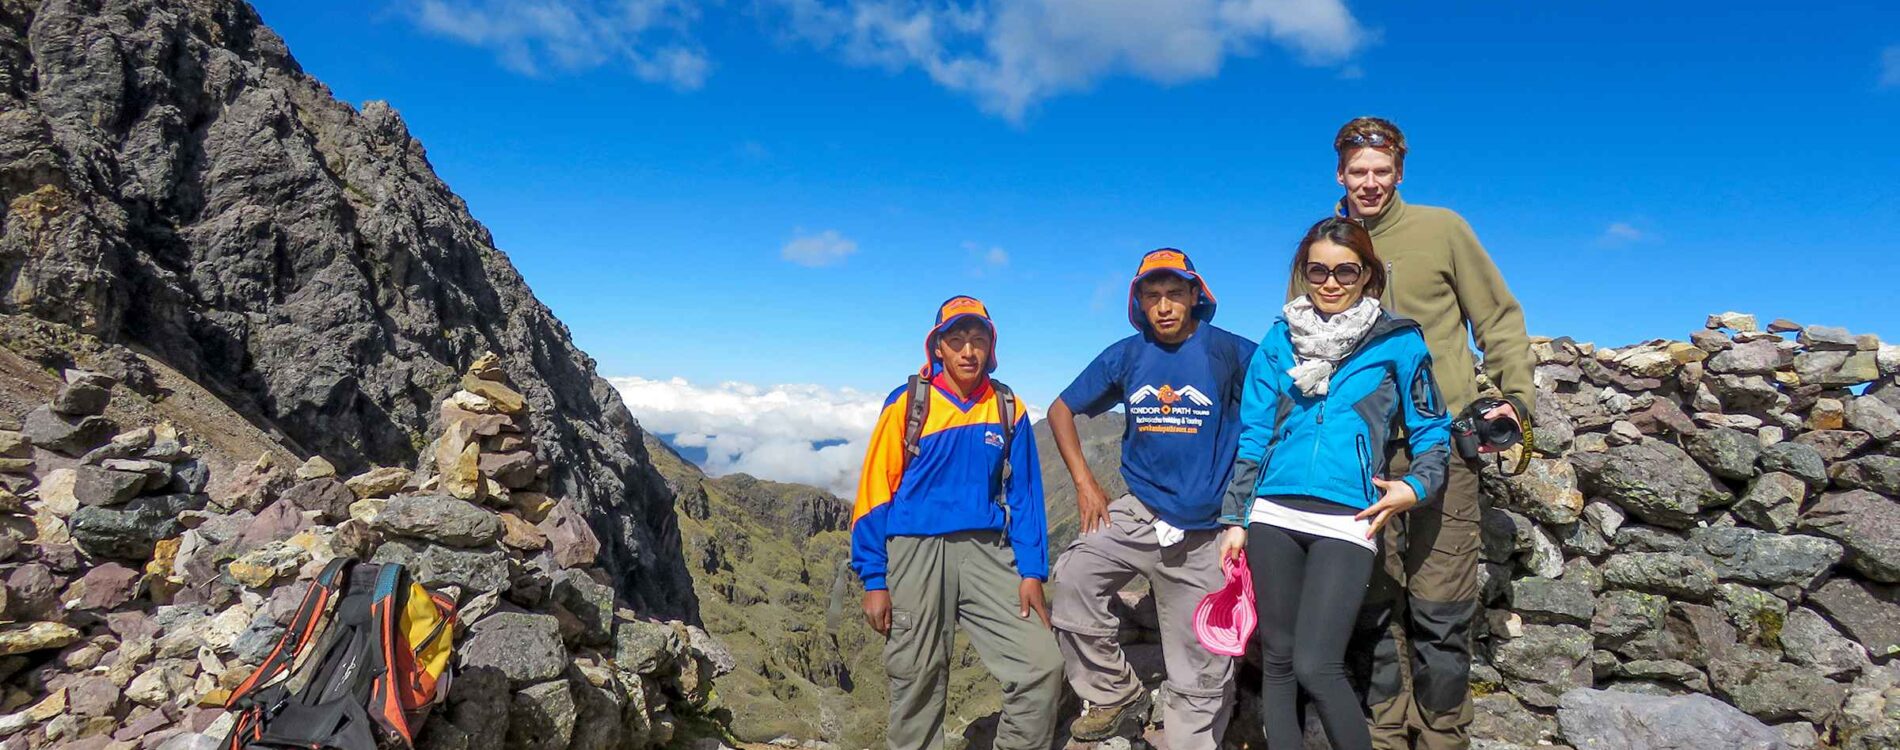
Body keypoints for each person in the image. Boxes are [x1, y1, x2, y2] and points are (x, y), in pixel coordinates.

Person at [1294, 117, 1536, 750]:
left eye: (1381, 171)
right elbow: (1299, 346)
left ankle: (1441, 734)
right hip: (1356, 450)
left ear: (1399, 171)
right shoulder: (1324, 249)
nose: (1369, 184)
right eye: (1357, 172)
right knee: (1370, 602)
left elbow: (1500, 319)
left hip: (1442, 444)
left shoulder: (1443, 230)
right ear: (1339, 175)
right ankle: (1382, 732)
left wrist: (1514, 400)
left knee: (1441, 603)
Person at [1223, 217, 1453, 750]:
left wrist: (1415, 487)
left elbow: (1431, 426)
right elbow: (1254, 433)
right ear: (1302, 273)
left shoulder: (1398, 342)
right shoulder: (1279, 341)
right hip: (1273, 514)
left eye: (1345, 271)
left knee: (1316, 664)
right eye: (1317, 270)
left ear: (1368, 274)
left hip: (1350, 517)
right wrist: (1236, 519)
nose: (1330, 282)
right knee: (1278, 660)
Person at [1046, 249, 1257, 746]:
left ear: (1195, 297)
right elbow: (1060, 409)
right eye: (1152, 295)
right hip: (1138, 511)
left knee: (1199, 672)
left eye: (1174, 294)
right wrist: (1084, 481)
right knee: (1074, 576)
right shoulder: (1127, 353)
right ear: (1139, 301)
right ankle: (1116, 691)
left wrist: (1245, 510)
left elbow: (1280, 403)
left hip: (1207, 531)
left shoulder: (1228, 351)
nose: (1163, 306)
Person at [850, 295, 1063, 750]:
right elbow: (873, 492)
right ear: (938, 348)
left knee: (1041, 666)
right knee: (917, 681)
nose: (969, 350)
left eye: (978, 339)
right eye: (957, 339)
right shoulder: (908, 404)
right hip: (914, 551)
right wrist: (873, 577)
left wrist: (1031, 572)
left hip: (988, 552)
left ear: (991, 346)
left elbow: (1025, 496)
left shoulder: (1009, 408)